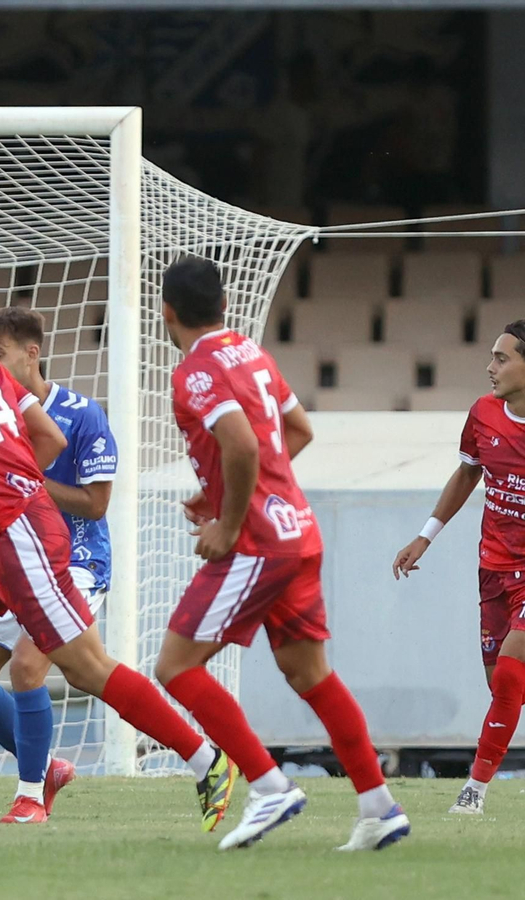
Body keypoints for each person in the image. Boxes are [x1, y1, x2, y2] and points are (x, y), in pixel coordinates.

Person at [0, 284, 232, 832]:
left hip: (20, 533)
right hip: (0, 532)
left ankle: (206, 760)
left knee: (86, 667)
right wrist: (6, 480)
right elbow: (51, 438)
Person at [153, 256, 409, 852]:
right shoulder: (252, 353)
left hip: (256, 542)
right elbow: (297, 431)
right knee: (310, 674)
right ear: (224, 305)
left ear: (167, 313)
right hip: (296, 531)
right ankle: (378, 807)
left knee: (176, 667)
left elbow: (242, 445)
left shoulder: (195, 371)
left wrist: (229, 520)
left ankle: (269, 787)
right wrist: (220, 492)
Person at [0, 306, 115, 823]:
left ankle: (28, 797)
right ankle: (46, 769)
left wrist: (27, 480)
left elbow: (96, 504)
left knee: (29, 667)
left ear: (32, 354)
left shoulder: (82, 414)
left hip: (76, 563)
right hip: (16, 559)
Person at [394, 319, 525, 816]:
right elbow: (469, 471)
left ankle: (474, 790)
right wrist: (425, 536)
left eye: (502, 358)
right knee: (503, 685)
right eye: (492, 356)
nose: (490, 367)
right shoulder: (483, 414)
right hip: (493, 568)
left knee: (509, 677)